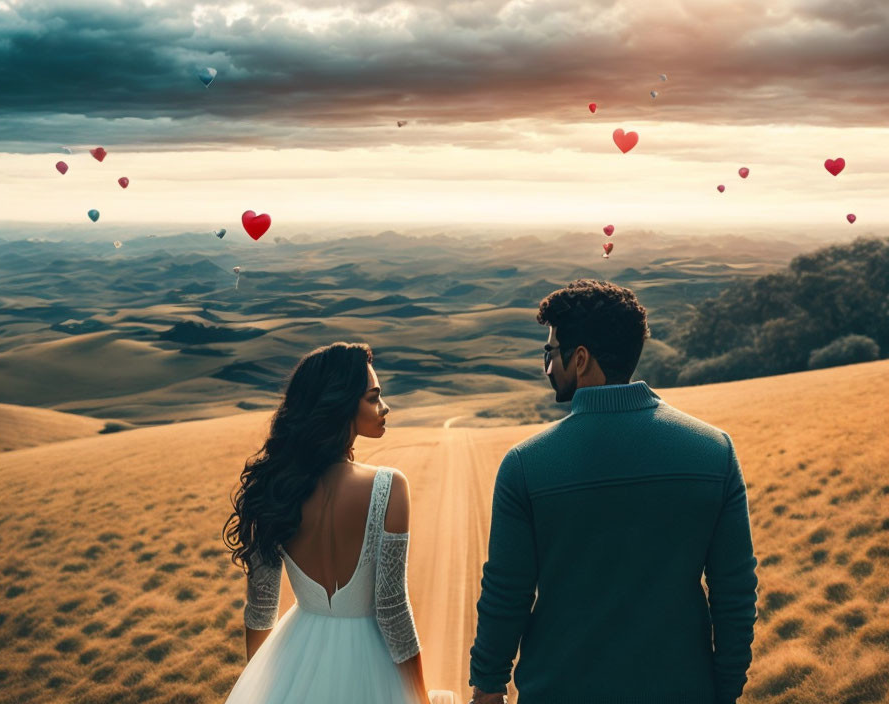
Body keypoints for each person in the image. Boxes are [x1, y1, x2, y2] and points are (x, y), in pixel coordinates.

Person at [468, 279, 759, 704]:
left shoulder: (525, 466)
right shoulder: (715, 451)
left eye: (550, 352)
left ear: (580, 358)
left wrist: (488, 686)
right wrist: (726, 688)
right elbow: (734, 591)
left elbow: (505, 594)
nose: (547, 365)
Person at [222, 342, 453, 703]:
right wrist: (419, 697)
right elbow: (392, 608)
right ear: (340, 405)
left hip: (295, 660)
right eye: (373, 397)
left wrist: (264, 687)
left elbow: (261, 608)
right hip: (372, 667)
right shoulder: (388, 487)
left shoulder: (275, 489)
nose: (384, 406)